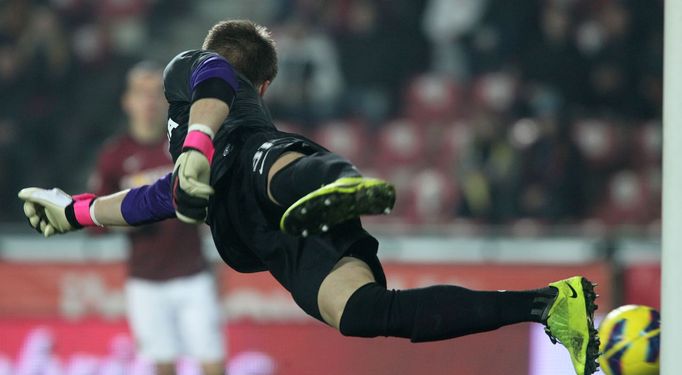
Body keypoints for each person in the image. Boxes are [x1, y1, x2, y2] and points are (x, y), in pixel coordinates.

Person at [18, 19, 600, 375]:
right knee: (366, 315)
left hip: (264, 170)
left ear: (257, 87)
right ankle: (547, 304)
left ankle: (339, 184)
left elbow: (215, 80)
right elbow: (153, 199)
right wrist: (75, 212)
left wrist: (195, 147)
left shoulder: (199, 75)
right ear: (270, 81)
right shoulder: (194, 175)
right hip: (273, 236)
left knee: (266, 165)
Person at [88, 62, 225, 375]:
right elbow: (97, 223)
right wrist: (130, 213)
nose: (148, 102)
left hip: (192, 273)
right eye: (141, 94)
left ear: (165, 101)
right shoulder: (115, 156)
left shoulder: (186, 146)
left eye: (154, 94)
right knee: (163, 366)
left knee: (213, 363)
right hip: (145, 280)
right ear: (128, 101)